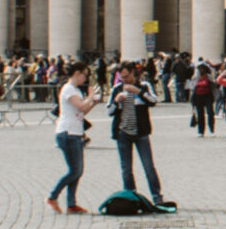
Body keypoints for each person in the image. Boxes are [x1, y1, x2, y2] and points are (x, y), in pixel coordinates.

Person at [109, 62, 166, 205]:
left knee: (148, 166)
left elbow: (153, 101)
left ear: (133, 73)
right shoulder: (116, 89)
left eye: (126, 76)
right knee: (126, 169)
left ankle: (157, 196)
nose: (124, 80)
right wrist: (116, 102)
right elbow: (109, 111)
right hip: (123, 132)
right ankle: (130, 197)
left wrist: (137, 91)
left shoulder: (144, 86)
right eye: (121, 77)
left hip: (141, 132)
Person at [47, 62, 97, 215]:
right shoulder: (68, 89)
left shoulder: (75, 90)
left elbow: (82, 112)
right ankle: (52, 196)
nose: (85, 78)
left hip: (75, 133)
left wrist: (93, 102)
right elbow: (81, 106)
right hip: (67, 133)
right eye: (84, 74)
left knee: (76, 170)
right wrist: (90, 96)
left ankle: (71, 204)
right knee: (75, 170)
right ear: (77, 73)